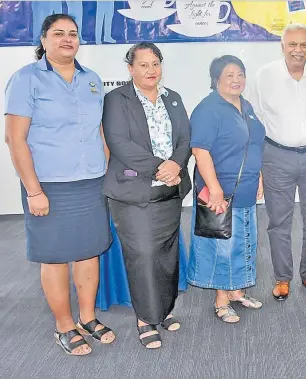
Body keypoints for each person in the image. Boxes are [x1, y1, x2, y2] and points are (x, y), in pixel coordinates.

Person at [4, 14, 115, 356]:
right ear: (44, 39)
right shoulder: (26, 79)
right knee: (53, 257)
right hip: (49, 185)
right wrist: (34, 190)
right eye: (58, 33)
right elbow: (15, 139)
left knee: (88, 251)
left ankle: (87, 317)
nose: (67, 39)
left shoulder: (92, 79)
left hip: (91, 182)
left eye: (73, 33)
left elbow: (100, 132)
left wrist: (107, 171)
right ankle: (64, 326)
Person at [102, 42, 191, 349]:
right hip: (133, 192)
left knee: (167, 254)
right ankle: (145, 318)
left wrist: (176, 164)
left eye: (156, 64)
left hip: (170, 189)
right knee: (143, 255)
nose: (151, 70)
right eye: (143, 65)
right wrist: (160, 168)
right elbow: (119, 143)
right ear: (130, 69)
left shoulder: (173, 99)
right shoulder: (116, 99)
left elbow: (185, 138)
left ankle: (162, 311)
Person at [248, 23, 306, 301]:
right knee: (279, 221)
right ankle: (282, 278)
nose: (298, 50)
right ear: (282, 46)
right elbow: (255, 118)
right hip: (277, 156)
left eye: (304, 45)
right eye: (293, 44)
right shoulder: (264, 76)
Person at [187, 55, 267, 323]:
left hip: (244, 187)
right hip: (220, 190)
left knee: (243, 240)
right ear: (216, 80)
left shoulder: (246, 106)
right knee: (222, 244)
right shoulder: (208, 109)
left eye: (240, 74)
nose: (236, 80)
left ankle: (236, 291)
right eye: (229, 75)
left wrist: (259, 176)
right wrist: (215, 189)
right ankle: (221, 300)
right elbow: (200, 150)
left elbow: (253, 145)